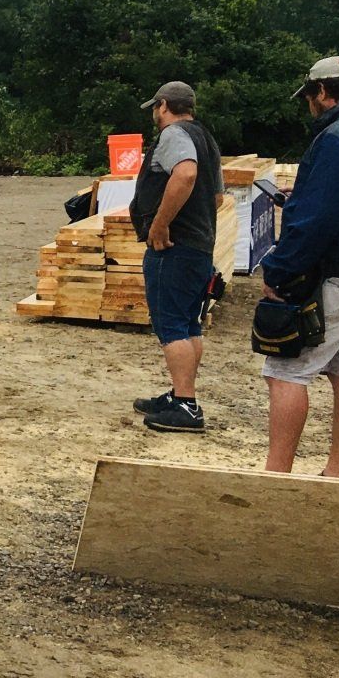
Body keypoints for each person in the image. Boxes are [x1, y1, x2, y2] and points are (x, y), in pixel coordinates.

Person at [258, 55, 339, 476]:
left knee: (286, 372)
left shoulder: (337, 138)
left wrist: (278, 271)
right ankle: (337, 477)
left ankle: (276, 478)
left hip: (336, 275)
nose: (309, 105)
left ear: (322, 93)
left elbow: (320, 220)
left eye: (310, 96)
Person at [129, 80, 224, 433]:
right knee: (188, 324)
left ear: (164, 105)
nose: (155, 114)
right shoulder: (206, 138)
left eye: (155, 108)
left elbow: (185, 174)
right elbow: (216, 198)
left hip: (173, 247)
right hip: (199, 246)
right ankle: (181, 394)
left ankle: (185, 405)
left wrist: (160, 224)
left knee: (170, 324)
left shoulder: (174, 135)